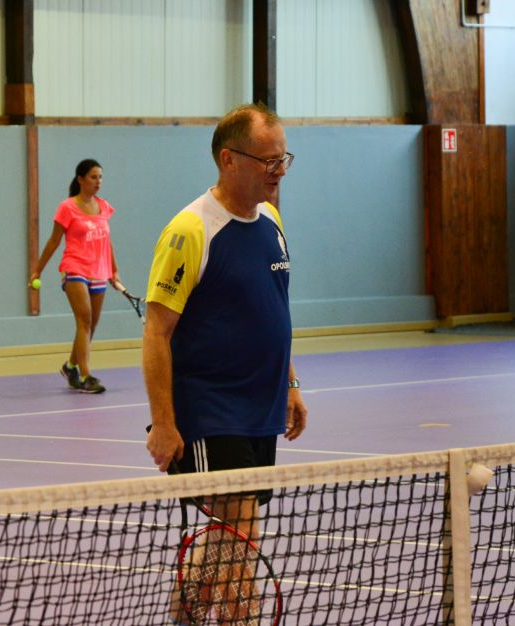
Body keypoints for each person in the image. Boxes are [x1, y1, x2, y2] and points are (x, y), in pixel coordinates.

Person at [142, 103, 308, 624]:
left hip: (261, 411)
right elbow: (156, 332)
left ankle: (183, 619)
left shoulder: (272, 220)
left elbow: (272, 310)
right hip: (211, 412)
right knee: (242, 540)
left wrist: (291, 385)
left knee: (227, 540)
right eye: (269, 161)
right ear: (228, 160)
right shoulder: (190, 230)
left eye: (283, 159)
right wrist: (164, 423)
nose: (279, 171)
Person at [29, 159, 122, 394]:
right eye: (93, 177)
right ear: (81, 179)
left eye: (100, 177)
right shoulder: (67, 207)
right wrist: (38, 270)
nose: (98, 181)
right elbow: (54, 241)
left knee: (90, 325)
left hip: (99, 271)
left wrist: (114, 271)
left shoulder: (104, 206)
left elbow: (107, 241)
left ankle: (70, 367)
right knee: (84, 320)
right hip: (74, 268)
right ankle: (86, 375)